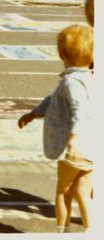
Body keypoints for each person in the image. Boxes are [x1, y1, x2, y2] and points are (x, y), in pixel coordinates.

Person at [18, 24, 94, 233]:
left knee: (63, 192)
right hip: (94, 145)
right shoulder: (93, 77)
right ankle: (92, 230)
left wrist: (75, 137)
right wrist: (35, 113)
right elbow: (55, 101)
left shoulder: (71, 81)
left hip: (76, 146)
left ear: (61, 54)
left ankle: (62, 231)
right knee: (83, 191)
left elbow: (77, 109)